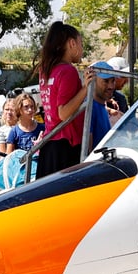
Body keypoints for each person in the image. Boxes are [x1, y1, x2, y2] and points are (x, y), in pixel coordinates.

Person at [36, 21, 92, 178]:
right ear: (72, 43)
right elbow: (63, 113)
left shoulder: (46, 70)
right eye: (81, 44)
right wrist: (85, 89)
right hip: (65, 146)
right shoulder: (68, 71)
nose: (82, 50)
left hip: (49, 143)